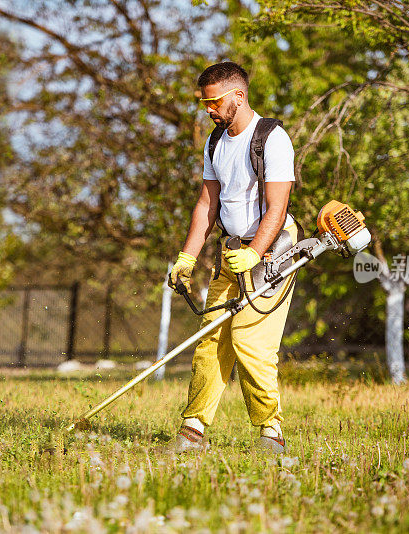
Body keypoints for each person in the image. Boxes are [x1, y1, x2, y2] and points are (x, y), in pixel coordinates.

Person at [168, 61, 298, 454]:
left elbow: (276, 208)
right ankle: (192, 431)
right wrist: (186, 257)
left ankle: (270, 434)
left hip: (273, 251)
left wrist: (256, 253)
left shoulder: (272, 138)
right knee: (212, 339)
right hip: (232, 252)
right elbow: (207, 203)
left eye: (214, 101)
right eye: (205, 102)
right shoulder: (214, 142)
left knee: (250, 339)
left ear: (238, 97)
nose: (208, 109)